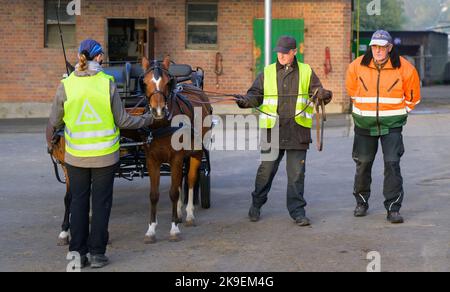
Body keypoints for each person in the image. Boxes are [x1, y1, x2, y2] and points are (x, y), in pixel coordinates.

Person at [46, 39, 154, 268]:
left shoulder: (66, 83)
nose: (103, 59)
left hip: (76, 156)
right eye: (102, 55)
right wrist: (148, 119)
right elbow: (123, 120)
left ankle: (77, 253)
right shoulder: (107, 83)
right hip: (105, 156)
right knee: (101, 203)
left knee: (78, 203)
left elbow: (54, 120)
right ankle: (97, 254)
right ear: (98, 57)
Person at [234, 36, 332, 226]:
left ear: (294, 52)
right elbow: (255, 94)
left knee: (296, 175)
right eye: (279, 52)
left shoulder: (306, 71)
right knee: (266, 171)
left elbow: (319, 92)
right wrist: (244, 101)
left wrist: (323, 95)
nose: (281, 55)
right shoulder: (268, 72)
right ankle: (256, 205)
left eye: (285, 52)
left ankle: (298, 212)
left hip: (298, 131)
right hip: (273, 130)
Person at [345, 30, 421, 223]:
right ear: (371, 47)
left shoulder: (406, 68)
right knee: (363, 164)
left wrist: (399, 112)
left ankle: (393, 209)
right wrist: (364, 110)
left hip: (392, 126)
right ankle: (361, 202)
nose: (378, 50)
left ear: (389, 47)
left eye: (381, 47)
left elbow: (413, 97)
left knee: (392, 164)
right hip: (364, 124)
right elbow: (352, 91)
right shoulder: (356, 66)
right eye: (374, 47)